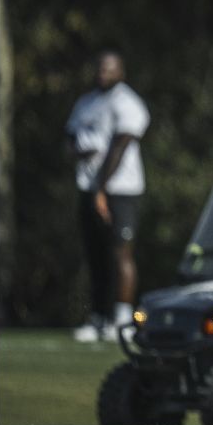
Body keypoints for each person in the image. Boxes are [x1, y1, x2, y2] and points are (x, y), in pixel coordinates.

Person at [65, 50, 151, 342]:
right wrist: (77, 150)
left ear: (121, 71)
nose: (103, 72)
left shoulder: (127, 102)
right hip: (88, 187)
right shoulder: (86, 102)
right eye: (100, 67)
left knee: (120, 252)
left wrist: (102, 188)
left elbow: (120, 144)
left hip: (120, 190)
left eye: (109, 68)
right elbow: (71, 136)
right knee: (95, 255)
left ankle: (123, 318)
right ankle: (98, 317)